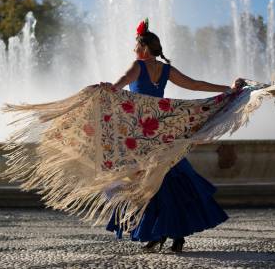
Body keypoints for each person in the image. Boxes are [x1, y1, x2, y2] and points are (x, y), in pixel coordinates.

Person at [104, 18, 243, 253]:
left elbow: (119, 84)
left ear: (143, 49)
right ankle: (175, 235)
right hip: (164, 131)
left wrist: (107, 88)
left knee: (148, 183)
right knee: (171, 179)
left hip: (144, 135)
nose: (134, 51)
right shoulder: (165, 69)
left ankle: (156, 233)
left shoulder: (137, 66)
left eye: (136, 47)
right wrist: (227, 89)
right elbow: (196, 85)